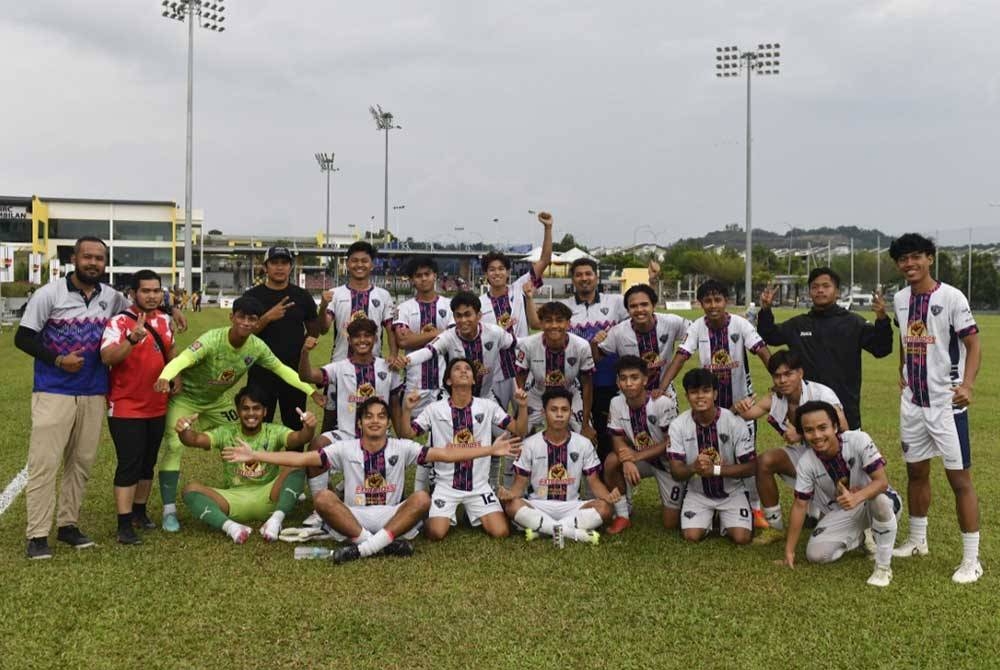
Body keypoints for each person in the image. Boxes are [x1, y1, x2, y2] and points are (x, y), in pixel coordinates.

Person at [15, 237, 186, 560]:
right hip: (54, 390)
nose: (93, 262)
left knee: (80, 465)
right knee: (44, 465)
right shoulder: (49, 294)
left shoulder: (111, 297)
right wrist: (57, 359)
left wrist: (172, 308)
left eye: (99, 258)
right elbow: (23, 337)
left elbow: (143, 308)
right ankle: (37, 535)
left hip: (95, 392)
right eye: (87, 256)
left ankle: (68, 526)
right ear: (74, 258)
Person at [224, 397, 521, 563]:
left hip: (392, 515)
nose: (376, 420)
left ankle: (363, 548)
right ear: (360, 423)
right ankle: (376, 544)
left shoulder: (402, 447)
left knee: (421, 499)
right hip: (355, 517)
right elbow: (301, 459)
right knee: (324, 498)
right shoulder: (344, 448)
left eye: (381, 416)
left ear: (387, 424)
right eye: (370, 416)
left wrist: (491, 449)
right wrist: (258, 455)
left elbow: (445, 453)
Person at [153, 295, 319, 533]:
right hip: (187, 398)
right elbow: (183, 359)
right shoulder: (212, 339)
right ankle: (169, 510)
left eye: (252, 319)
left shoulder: (257, 347)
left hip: (217, 401)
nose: (246, 323)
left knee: (245, 430)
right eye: (241, 317)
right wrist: (165, 377)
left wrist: (310, 391)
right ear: (232, 317)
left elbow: (282, 370)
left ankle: (263, 485)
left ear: (257, 322)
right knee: (175, 445)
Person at [887, 233, 982, 584]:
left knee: (959, 480)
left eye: (915, 257)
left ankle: (972, 559)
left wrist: (968, 385)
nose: (909, 264)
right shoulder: (900, 299)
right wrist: (902, 370)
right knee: (916, 473)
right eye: (903, 259)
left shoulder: (951, 296)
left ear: (929, 258)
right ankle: (916, 540)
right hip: (913, 403)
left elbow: (973, 344)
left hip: (946, 404)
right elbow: (905, 339)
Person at [658, 279, 771, 527]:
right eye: (707, 301)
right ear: (701, 304)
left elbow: (761, 351)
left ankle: (754, 508)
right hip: (708, 404)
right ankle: (703, 500)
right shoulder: (698, 327)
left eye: (717, 299)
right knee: (706, 450)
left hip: (741, 406)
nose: (713, 305)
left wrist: (779, 378)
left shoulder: (740, 324)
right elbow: (680, 357)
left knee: (746, 455)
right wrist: (661, 387)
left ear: (726, 301)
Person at [398, 358, 529, 540]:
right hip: (445, 485)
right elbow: (408, 434)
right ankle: (429, 513)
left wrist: (522, 408)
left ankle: (472, 511)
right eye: (457, 369)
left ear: (474, 380)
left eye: (468, 369)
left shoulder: (487, 406)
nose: (463, 371)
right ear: (449, 381)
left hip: (479, 486)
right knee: (436, 533)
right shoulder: (435, 409)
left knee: (501, 532)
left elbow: (519, 430)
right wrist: (406, 410)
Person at [173, 386, 316, 543]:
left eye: (256, 408)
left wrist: (309, 427)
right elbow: (194, 440)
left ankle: (275, 520)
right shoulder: (225, 432)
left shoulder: (274, 431)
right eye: (245, 408)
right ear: (238, 411)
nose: (251, 413)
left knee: (297, 463)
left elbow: (300, 438)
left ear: (265, 412)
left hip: (270, 497)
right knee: (190, 490)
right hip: (232, 500)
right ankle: (232, 527)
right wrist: (183, 430)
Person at [780, 401, 900, 587]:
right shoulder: (806, 462)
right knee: (816, 555)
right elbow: (800, 505)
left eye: (822, 427)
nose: (817, 435)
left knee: (880, 501)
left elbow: (881, 482)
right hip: (844, 510)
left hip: (877, 501)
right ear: (803, 434)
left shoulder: (858, 439)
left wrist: (856, 497)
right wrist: (789, 551)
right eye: (809, 430)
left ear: (835, 426)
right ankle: (861, 536)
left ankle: (883, 568)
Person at [755, 267, 893, 430]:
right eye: (815, 287)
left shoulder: (854, 323)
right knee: (810, 449)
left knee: (847, 451)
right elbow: (770, 336)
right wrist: (765, 310)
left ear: (837, 291)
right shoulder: (798, 324)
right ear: (809, 292)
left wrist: (882, 319)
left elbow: (881, 349)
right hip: (807, 407)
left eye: (826, 286)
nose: (820, 290)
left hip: (845, 406)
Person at [733, 350, 846, 539]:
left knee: (837, 524)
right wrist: (739, 407)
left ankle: (829, 513)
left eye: (788, 374)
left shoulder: (822, 394)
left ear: (800, 373)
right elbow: (750, 413)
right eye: (777, 376)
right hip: (804, 454)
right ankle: (774, 528)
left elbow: (843, 429)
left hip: (833, 460)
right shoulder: (774, 398)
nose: (782, 380)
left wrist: (802, 433)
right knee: (765, 461)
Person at [100, 270, 177, 544]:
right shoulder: (119, 322)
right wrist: (131, 340)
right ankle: (123, 525)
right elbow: (107, 356)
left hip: (157, 405)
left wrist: (175, 375)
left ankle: (139, 512)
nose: (153, 295)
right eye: (146, 291)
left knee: (148, 463)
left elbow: (171, 353)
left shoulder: (166, 321)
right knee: (129, 463)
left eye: (157, 290)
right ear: (133, 293)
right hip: (125, 406)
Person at [298, 318, 401, 522]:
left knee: (374, 502)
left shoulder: (387, 368)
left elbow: (396, 405)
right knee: (317, 445)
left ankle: (349, 490)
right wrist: (304, 352)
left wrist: (401, 436)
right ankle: (322, 508)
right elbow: (308, 376)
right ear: (349, 339)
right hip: (346, 434)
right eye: (357, 336)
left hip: (378, 438)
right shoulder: (340, 367)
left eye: (367, 336)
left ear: (375, 338)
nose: (362, 340)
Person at [561, 258, 659, 460]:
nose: (584, 278)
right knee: (576, 437)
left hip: (609, 383)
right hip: (577, 384)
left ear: (597, 277)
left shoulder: (615, 302)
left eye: (588, 273)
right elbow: (538, 321)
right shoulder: (565, 307)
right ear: (572, 279)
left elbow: (643, 310)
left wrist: (653, 282)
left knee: (608, 438)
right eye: (578, 274)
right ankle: (577, 486)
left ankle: (609, 487)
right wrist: (527, 297)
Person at [501, 388, 618, 546]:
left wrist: (608, 497)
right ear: (544, 413)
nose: (559, 414)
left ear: (570, 413)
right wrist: (509, 495)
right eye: (553, 409)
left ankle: (544, 529)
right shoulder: (529, 445)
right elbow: (519, 484)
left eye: (564, 410)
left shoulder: (583, 444)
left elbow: (594, 482)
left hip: (572, 505)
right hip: (539, 504)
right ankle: (572, 532)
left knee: (606, 509)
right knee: (512, 505)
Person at [667, 369, 756, 545]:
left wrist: (715, 470)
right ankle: (710, 516)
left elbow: (752, 467)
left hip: (732, 492)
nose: (700, 397)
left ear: (715, 394)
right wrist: (694, 468)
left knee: (741, 538)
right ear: (687, 396)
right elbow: (676, 472)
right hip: (698, 492)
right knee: (691, 536)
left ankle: (725, 516)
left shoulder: (734, 422)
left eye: (706, 391)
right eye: (694, 392)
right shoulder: (678, 426)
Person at [318, 241, 397, 431]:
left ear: (372, 264)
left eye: (364, 261)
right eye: (354, 261)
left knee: (373, 417)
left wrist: (394, 354)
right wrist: (322, 306)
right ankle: (325, 459)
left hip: (374, 367)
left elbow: (390, 329)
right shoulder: (335, 294)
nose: (359, 265)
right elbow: (323, 328)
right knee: (330, 421)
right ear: (347, 263)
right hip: (340, 367)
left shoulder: (383, 295)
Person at [479, 211, 553, 410]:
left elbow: (545, 260)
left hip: (523, 366)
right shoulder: (479, 304)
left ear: (508, 272)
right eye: (492, 269)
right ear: (486, 274)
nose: (497, 273)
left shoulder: (520, 287)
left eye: (501, 268)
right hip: (496, 371)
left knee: (527, 420)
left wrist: (547, 228)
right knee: (498, 422)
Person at [392, 256, 454, 492]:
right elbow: (403, 338)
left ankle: (436, 484)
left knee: (442, 435)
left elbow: (453, 338)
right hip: (413, 382)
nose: (423, 278)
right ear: (411, 280)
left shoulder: (449, 306)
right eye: (418, 275)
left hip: (441, 383)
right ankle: (392, 482)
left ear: (435, 276)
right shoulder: (405, 308)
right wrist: (439, 333)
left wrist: (422, 337)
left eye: (427, 273)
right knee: (405, 439)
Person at [243, 246, 321, 431]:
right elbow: (243, 334)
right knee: (257, 427)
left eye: (284, 263)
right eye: (274, 263)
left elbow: (314, 329)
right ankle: (257, 461)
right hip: (261, 373)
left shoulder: (302, 296)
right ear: (265, 267)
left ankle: (293, 460)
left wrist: (307, 344)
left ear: (291, 267)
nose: (279, 267)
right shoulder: (252, 297)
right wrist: (267, 317)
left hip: (294, 373)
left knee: (295, 426)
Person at [603, 355, 682, 534]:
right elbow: (616, 437)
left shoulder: (661, 403)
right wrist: (627, 461)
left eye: (634, 377)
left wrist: (635, 456)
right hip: (642, 461)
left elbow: (671, 442)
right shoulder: (616, 403)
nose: (628, 383)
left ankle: (688, 494)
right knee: (611, 461)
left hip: (667, 463)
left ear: (645, 380)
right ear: (617, 382)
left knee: (671, 524)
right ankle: (623, 515)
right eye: (623, 378)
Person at [404, 291, 515, 401]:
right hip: (452, 399)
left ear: (479, 315)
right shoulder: (448, 337)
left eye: (467, 314)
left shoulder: (494, 332)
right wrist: (407, 360)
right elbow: (428, 351)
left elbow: (517, 343)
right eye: (458, 316)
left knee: (508, 420)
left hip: (485, 397)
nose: (463, 320)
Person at [514, 301, 595, 437]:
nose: (554, 325)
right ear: (540, 324)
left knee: (588, 436)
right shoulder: (528, 345)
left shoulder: (582, 346)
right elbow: (520, 377)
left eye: (559, 320)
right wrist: (522, 408)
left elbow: (587, 385)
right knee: (517, 435)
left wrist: (586, 424)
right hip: (538, 393)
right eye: (548, 321)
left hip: (570, 392)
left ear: (568, 324)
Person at [594, 284, 689, 396]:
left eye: (644, 305)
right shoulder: (617, 332)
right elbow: (597, 357)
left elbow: (696, 333)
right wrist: (594, 343)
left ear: (653, 305)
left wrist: (680, 355)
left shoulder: (672, 322)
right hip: (629, 396)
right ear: (628, 310)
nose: (639, 310)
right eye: (633, 306)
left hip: (664, 392)